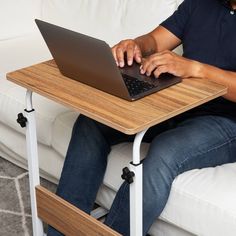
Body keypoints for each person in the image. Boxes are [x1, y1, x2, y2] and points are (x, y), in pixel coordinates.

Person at [48, 0, 236, 235]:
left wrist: (197, 69)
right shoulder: (199, 3)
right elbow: (156, 41)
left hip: (225, 121)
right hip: (175, 102)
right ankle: (63, 229)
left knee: (165, 151)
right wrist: (136, 45)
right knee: (92, 122)